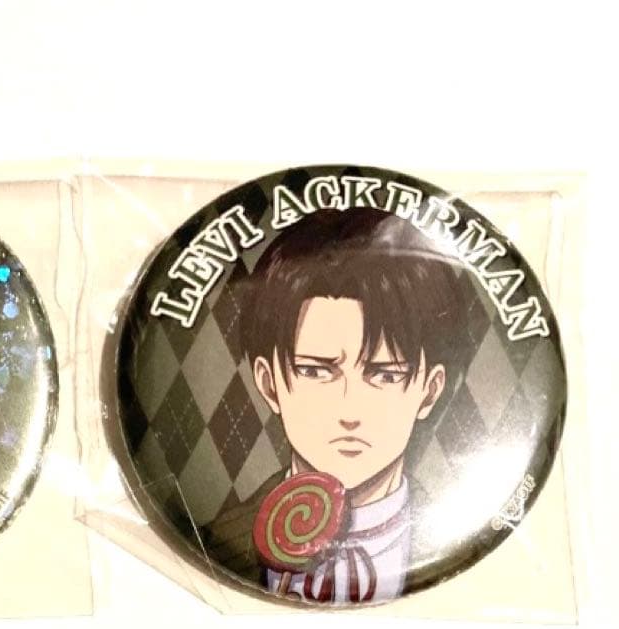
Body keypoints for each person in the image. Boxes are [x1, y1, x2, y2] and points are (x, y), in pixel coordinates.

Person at [201, 207, 470, 603]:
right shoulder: (215, 542)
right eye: (315, 371)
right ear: (269, 383)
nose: (349, 412)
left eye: (384, 375)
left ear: (429, 392)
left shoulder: (466, 548)